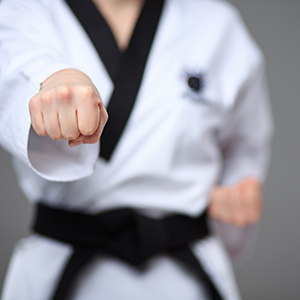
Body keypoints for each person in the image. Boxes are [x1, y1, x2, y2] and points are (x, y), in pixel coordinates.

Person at [0, 0, 273, 299]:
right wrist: (53, 80)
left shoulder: (217, 23)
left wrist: (239, 186)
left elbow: (245, 145)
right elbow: (13, 70)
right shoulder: (22, 9)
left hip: (185, 279)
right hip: (61, 273)